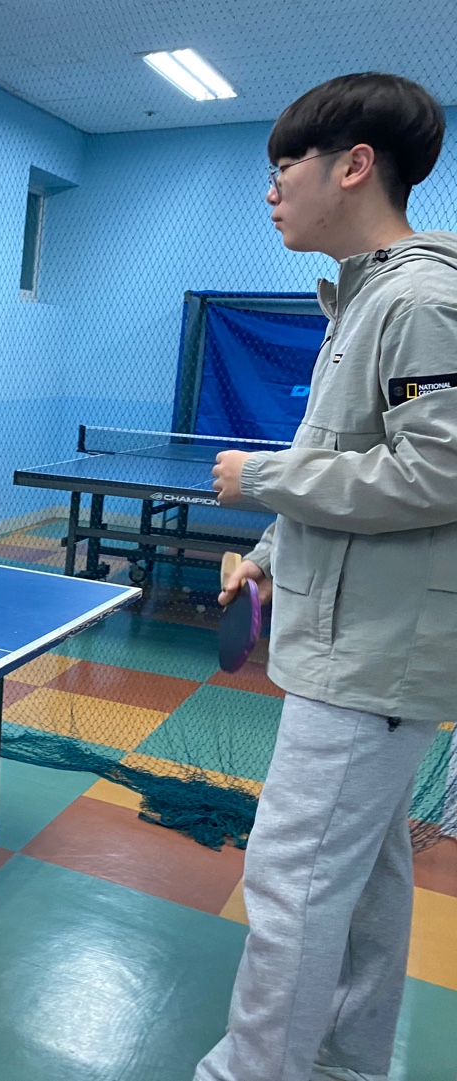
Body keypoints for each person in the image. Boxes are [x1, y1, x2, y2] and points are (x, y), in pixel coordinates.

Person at [204, 73, 455, 1081]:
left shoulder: (421, 302)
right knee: (364, 883)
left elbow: (440, 472)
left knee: (293, 888)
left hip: (370, 657)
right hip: (357, 642)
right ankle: (349, 1065)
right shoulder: (361, 300)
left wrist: (261, 477)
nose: (271, 192)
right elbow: (346, 458)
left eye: (284, 168)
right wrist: (268, 556)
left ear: (353, 166)